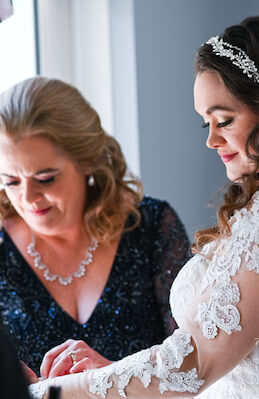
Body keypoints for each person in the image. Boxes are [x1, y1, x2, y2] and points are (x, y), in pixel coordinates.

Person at [28, 14, 259, 399]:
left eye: (223, 120)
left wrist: (46, 392)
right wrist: (113, 373)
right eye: (204, 122)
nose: (211, 140)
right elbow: (252, 368)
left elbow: (193, 365)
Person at [0, 77, 190, 380]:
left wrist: (116, 377)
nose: (27, 198)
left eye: (46, 178)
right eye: (10, 181)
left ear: (87, 160)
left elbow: (197, 367)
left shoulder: (152, 228)